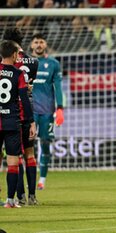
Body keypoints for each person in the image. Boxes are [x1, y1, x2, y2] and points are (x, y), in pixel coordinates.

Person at [3, 27, 39, 205]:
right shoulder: (33, 62)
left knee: (14, 157)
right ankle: (32, 196)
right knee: (29, 155)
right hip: (27, 109)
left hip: (11, 112)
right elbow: (28, 87)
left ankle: (18, 197)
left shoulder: (5, 60)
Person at [31, 33, 64, 190]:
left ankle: (42, 180)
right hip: (29, 112)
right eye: (36, 42)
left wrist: (60, 108)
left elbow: (58, 86)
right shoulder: (26, 62)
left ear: (45, 45)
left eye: (41, 42)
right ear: (31, 45)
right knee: (25, 145)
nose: (38, 44)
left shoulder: (53, 64)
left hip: (46, 111)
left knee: (45, 143)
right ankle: (26, 181)